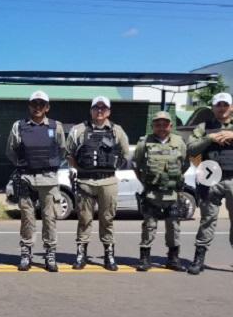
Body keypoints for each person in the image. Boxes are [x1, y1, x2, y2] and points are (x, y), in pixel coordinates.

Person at [66, 96, 129, 271]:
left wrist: (113, 166)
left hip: (108, 181)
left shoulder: (117, 131)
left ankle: (109, 254)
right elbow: (68, 153)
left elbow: (125, 154)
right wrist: (80, 168)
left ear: (108, 111)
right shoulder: (78, 130)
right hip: (85, 181)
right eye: (96, 107)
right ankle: (81, 253)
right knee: (84, 219)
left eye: (103, 108)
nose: (99, 111)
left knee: (107, 219)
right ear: (91, 110)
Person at [6, 91, 66, 272]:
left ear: (47, 107)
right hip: (27, 178)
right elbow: (11, 150)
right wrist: (24, 165)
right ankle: (26, 253)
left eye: (42, 104)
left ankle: (50, 253)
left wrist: (49, 165)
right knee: (27, 218)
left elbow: (62, 150)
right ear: (29, 106)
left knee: (50, 219)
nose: (38, 107)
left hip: (48, 179)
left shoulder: (56, 127)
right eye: (34, 104)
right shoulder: (19, 126)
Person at [133, 111, 188, 272]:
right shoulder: (145, 142)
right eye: (158, 124)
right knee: (149, 226)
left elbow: (184, 164)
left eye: (165, 124)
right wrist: (145, 182)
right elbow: (136, 164)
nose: (161, 127)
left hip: (172, 193)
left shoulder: (179, 142)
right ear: (153, 126)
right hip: (152, 193)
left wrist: (174, 180)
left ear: (170, 125)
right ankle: (144, 258)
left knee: (173, 227)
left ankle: (173, 258)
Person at [186, 92, 233, 275]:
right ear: (213, 108)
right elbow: (191, 148)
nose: (222, 108)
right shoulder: (203, 127)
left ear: (231, 107)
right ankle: (199, 259)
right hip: (210, 179)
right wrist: (210, 138)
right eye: (218, 105)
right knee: (207, 220)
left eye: (225, 104)